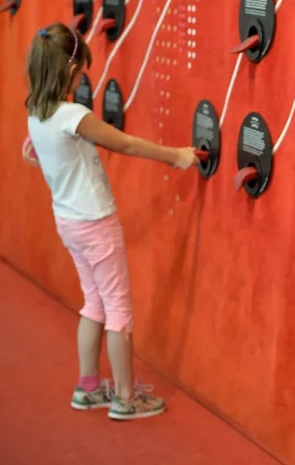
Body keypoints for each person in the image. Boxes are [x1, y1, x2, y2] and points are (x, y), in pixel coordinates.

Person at [24, 23, 199, 420]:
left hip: (68, 222)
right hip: (96, 223)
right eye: (82, 70)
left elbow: (33, 151)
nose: (83, 76)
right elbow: (126, 142)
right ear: (70, 72)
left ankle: (88, 388)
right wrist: (176, 154)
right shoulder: (73, 115)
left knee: (94, 304)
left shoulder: (36, 111)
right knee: (119, 311)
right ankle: (124, 397)